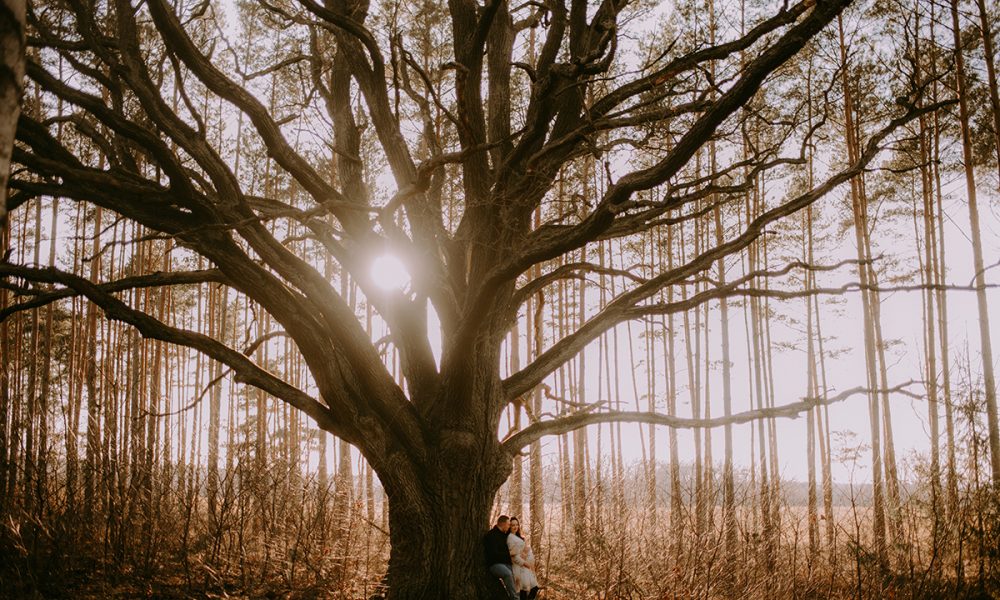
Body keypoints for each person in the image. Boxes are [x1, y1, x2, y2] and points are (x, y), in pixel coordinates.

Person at [484, 515, 518, 600]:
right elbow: (494, 555)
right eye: (508, 524)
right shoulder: (491, 535)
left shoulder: (504, 536)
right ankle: (515, 598)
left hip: (506, 563)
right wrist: (509, 555)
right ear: (502, 524)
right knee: (508, 574)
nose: (509, 526)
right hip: (494, 565)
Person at [507, 517, 540, 600]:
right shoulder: (510, 538)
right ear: (509, 526)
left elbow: (523, 550)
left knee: (534, 588)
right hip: (519, 567)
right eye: (512, 525)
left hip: (526, 568)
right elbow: (514, 556)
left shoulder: (519, 537)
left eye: (517, 525)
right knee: (523, 592)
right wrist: (525, 563)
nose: (515, 527)